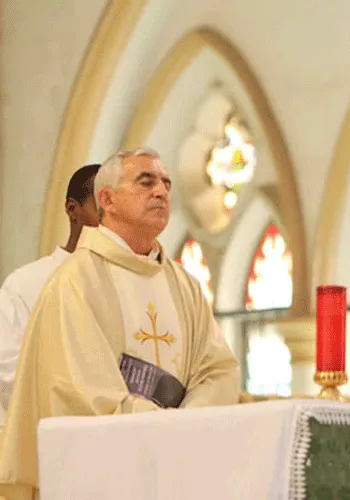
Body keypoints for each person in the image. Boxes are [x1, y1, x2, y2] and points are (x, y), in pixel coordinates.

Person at [0, 148, 240, 499]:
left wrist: (188, 423)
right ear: (107, 199)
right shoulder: (74, 282)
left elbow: (218, 370)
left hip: (178, 469)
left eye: (166, 184)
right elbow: (82, 390)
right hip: (106, 478)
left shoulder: (184, 285)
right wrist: (167, 427)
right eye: (146, 182)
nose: (161, 191)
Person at [0, 164, 101, 423]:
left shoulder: (126, 287)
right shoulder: (25, 285)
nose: (110, 221)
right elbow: (8, 371)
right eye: (101, 207)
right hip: (46, 439)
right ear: (72, 209)